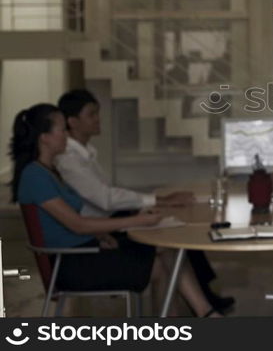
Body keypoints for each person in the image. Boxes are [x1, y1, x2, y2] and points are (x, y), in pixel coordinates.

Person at [10, 103, 223, 317]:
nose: (67, 135)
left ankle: (202, 313)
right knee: (158, 265)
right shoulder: (35, 176)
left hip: (83, 251)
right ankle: (199, 315)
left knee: (168, 251)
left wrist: (100, 233)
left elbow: (71, 220)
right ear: (44, 137)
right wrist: (135, 222)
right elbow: (77, 223)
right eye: (62, 130)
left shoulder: (48, 171)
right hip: (72, 264)